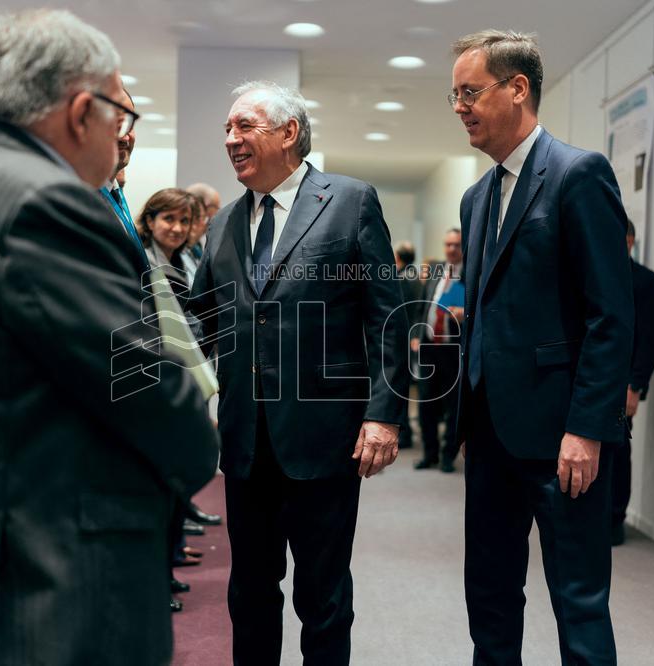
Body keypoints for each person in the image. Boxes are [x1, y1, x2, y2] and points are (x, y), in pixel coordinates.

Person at [0, 10, 218, 665]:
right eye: (119, 119)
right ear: (82, 111)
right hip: (36, 586)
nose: (119, 139)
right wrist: (197, 443)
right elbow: (147, 392)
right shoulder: (41, 204)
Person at [187, 80, 409, 664]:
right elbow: (203, 327)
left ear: (289, 133)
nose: (231, 140)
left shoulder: (349, 201)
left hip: (323, 441)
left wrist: (382, 417)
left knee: (323, 597)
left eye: (245, 127)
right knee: (250, 594)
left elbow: (386, 317)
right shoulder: (222, 224)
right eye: (227, 130)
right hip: (244, 444)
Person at [451, 30, 633, 664]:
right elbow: (482, 315)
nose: (460, 107)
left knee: (578, 603)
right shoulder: (476, 198)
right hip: (492, 436)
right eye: (455, 96)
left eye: (470, 92)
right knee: (491, 598)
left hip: (563, 438)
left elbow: (612, 315)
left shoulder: (579, 174)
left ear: (518, 88)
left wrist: (588, 428)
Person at [613, 219, 654, 546]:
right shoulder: (589, 278)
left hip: (622, 385)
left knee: (617, 450)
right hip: (585, 380)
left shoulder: (646, 283)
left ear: (630, 240)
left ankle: (613, 519)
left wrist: (636, 386)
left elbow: (651, 340)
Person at [413, 228, 464, 472]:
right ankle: (429, 453)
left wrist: (467, 313)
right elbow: (421, 306)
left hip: (453, 351)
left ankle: (447, 456)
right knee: (425, 404)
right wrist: (415, 334)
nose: (451, 249)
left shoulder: (471, 274)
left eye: (456, 245)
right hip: (429, 348)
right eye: (448, 244)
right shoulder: (435, 271)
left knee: (453, 407)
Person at [137, 188, 195, 296]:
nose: (178, 229)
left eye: (184, 221)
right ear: (150, 221)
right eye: (169, 219)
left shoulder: (187, 260)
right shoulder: (142, 263)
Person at [394, 240, 423, 450]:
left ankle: (404, 433)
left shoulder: (403, 278)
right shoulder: (415, 277)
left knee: (399, 386)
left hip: (404, 338)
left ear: (398, 257)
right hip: (414, 336)